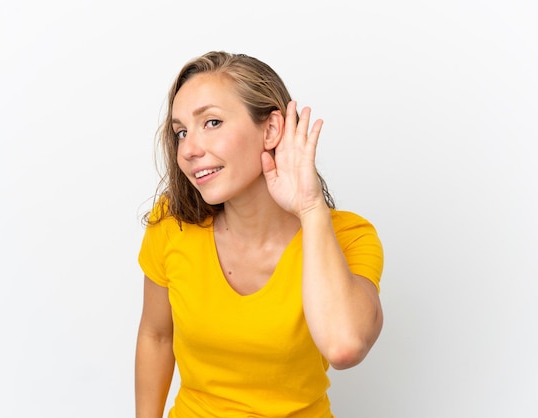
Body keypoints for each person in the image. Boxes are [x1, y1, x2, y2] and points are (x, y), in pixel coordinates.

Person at [135, 51, 384, 417]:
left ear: (270, 130)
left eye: (213, 122)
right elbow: (156, 336)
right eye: (181, 132)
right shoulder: (173, 224)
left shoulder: (349, 236)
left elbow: (344, 346)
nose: (188, 149)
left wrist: (311, 210)